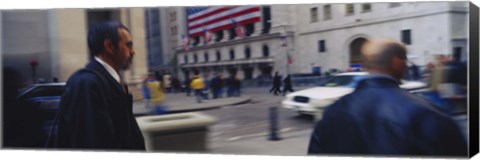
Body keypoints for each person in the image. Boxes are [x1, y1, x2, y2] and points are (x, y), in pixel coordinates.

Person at [307, 39, 466, 156]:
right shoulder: (429, 114)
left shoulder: (332, 112)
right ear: (398, 62)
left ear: (364, 66)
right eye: (405, 60)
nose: (407, 65)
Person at [54, 21, 145, 150]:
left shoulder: (109, 81)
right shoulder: (87, 84)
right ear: (109, 46)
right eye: (128, 45)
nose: (133, 52)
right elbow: (93, 144)